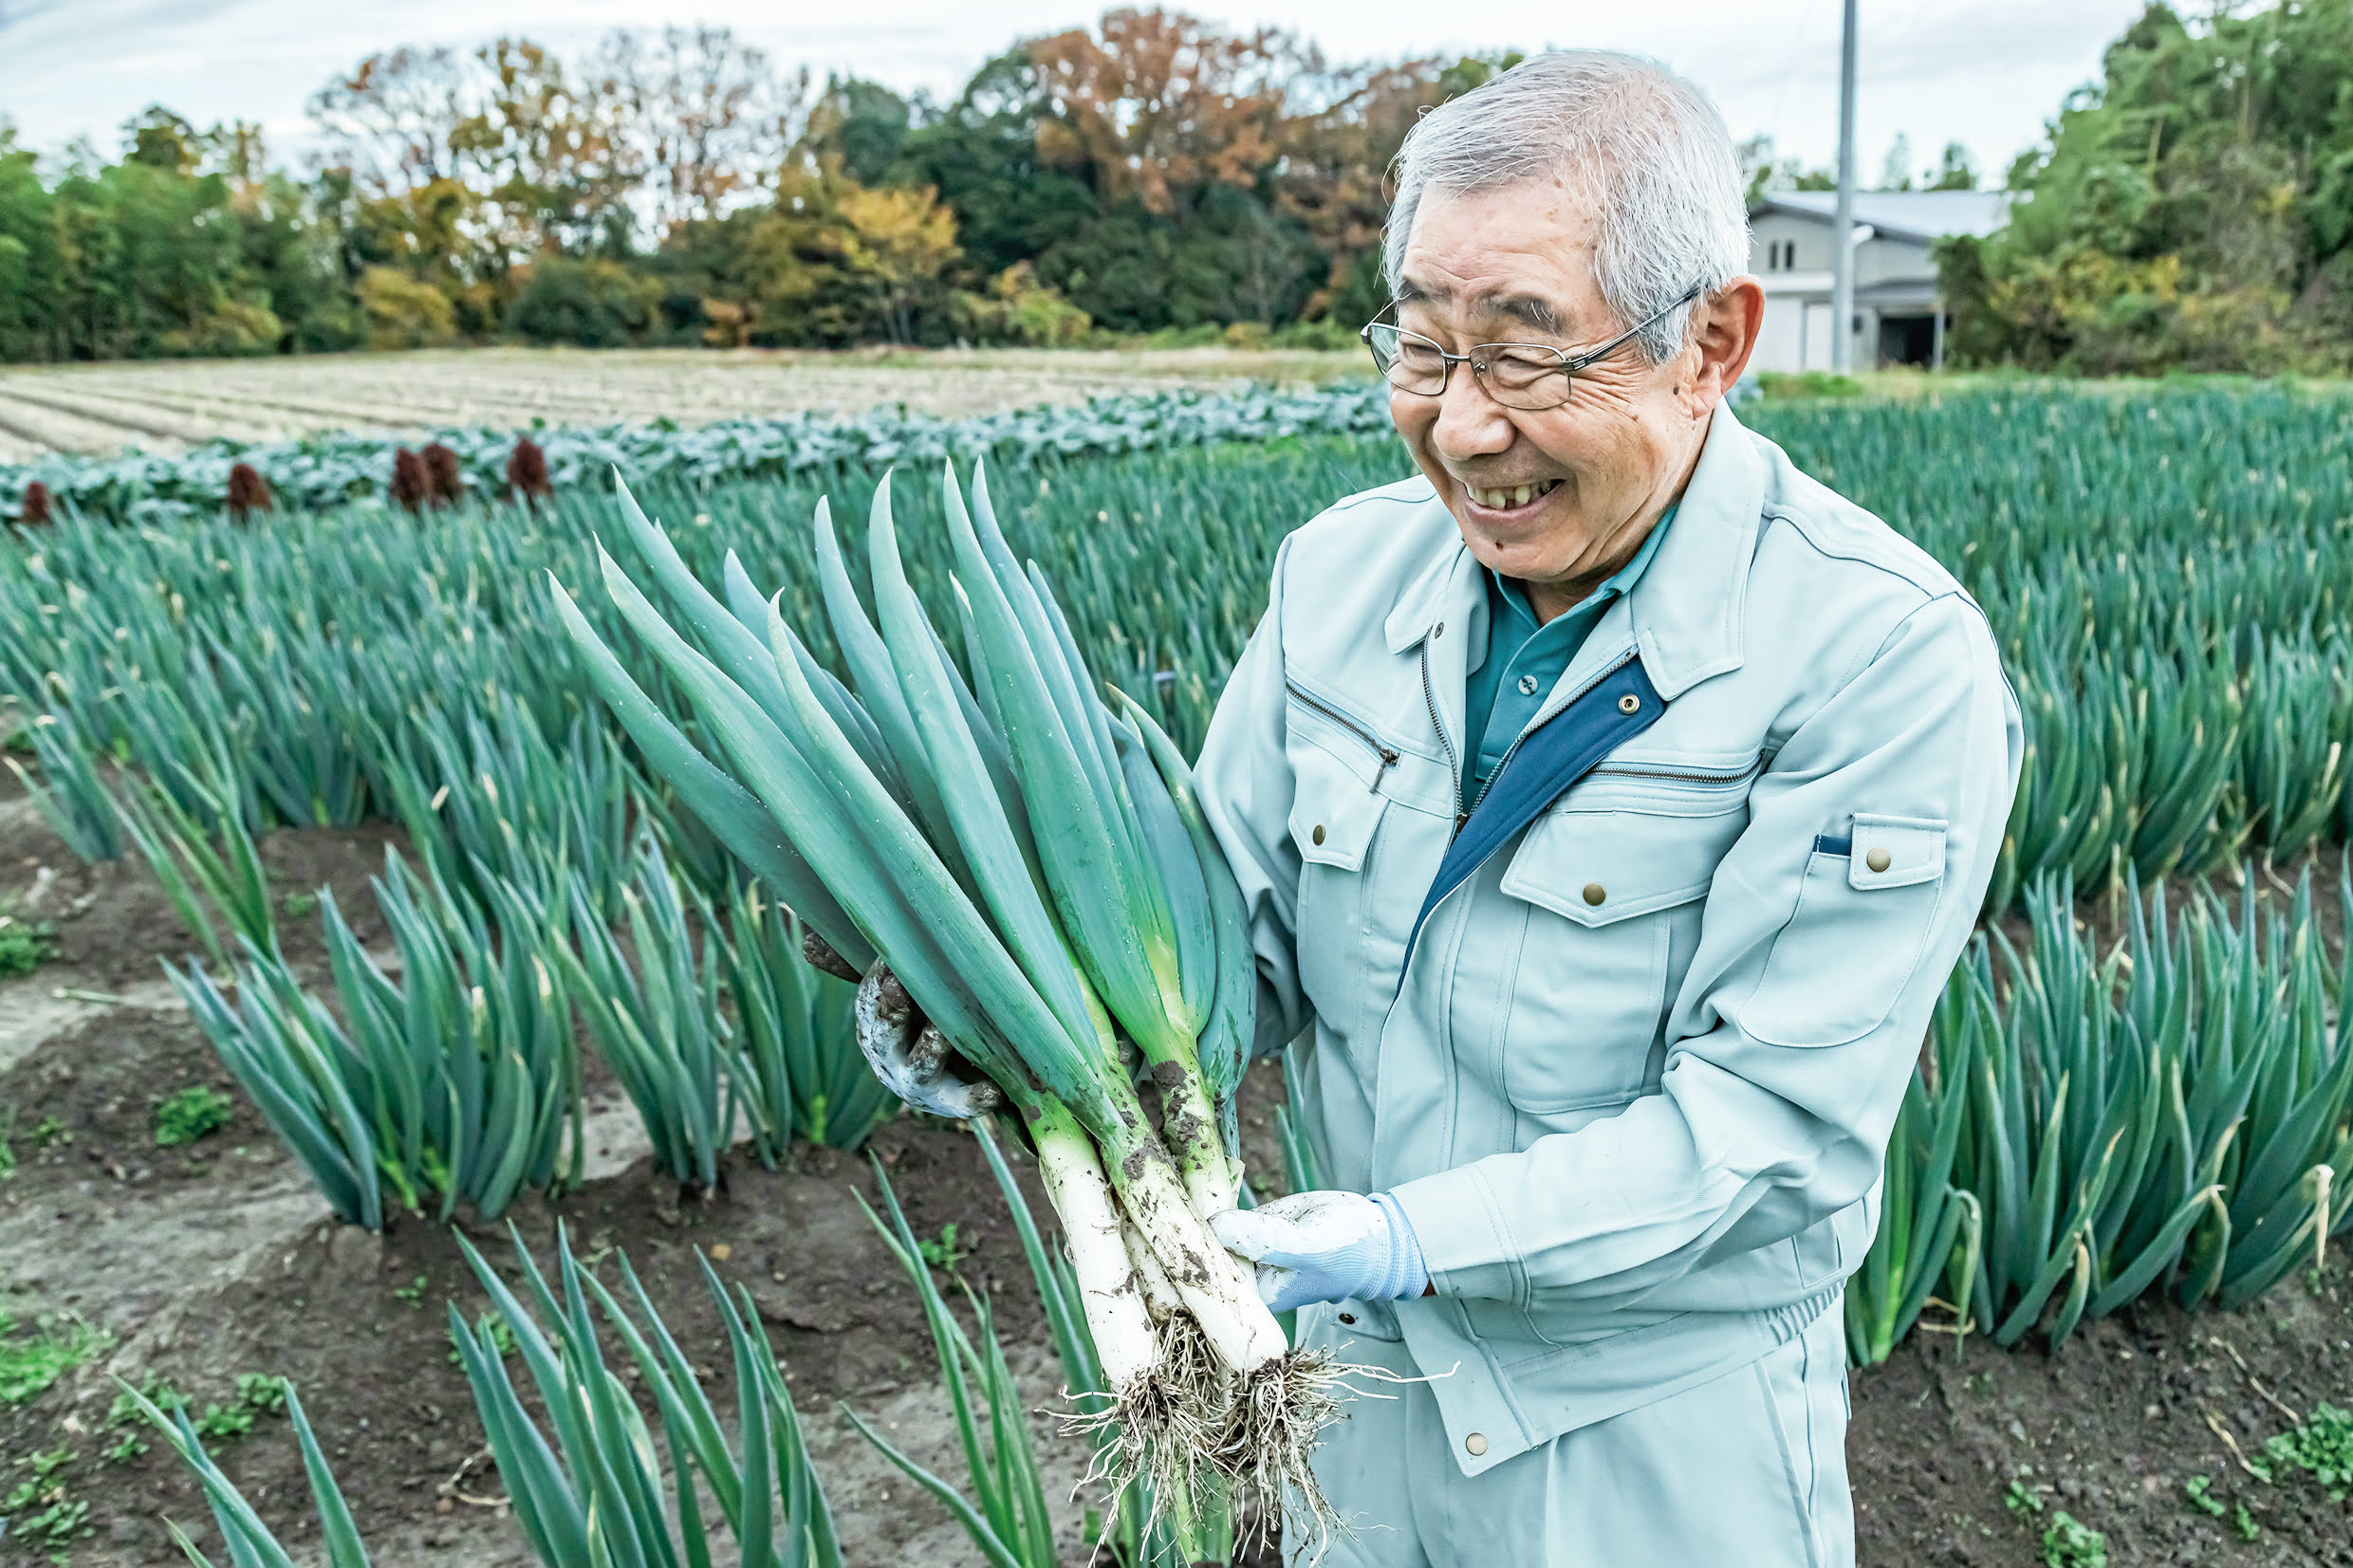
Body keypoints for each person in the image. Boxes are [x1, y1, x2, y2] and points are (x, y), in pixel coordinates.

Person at [1187, 49, 2023, 1566]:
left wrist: (1408, 1235)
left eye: (1524, 353)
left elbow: (1766, 1131)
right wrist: (1004, 1020)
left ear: (1711, 341)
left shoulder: (1874, 655)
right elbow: (1222, 943)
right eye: (1424, 347)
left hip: (1643, 1452)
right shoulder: (1338, 579)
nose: (1461, 424)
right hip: (1356, 1418)